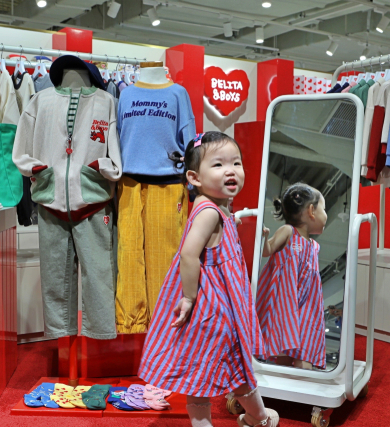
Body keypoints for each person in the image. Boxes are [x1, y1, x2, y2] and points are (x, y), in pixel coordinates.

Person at [138, 131, 279, 427]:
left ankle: (228, 421)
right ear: (194, 177)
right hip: (215, 310)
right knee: (237, 367)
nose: (230, 170)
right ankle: (260, 418)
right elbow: (189, 255)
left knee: (199, 376)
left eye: (236, 163)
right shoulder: (209, 213)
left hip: (213, 311)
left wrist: (235, 221)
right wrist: (188, 297)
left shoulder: (217, 209)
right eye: (218, 165)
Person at [257, 183, 327, 370]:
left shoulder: (314, 246)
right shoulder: (288, 232)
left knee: (305, 351)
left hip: (307, 308)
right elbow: (267, 250)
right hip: (286, 304)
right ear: (312, 210)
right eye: (324, 209)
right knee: (285, 353)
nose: (326, 215)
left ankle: (302, 390)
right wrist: (263, 236)